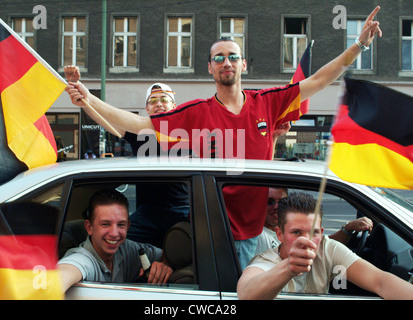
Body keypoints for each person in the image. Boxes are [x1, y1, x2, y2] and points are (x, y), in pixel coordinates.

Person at [65, 7, 383, 269]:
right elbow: (135, 123)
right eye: (218, 58)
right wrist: (88, 98)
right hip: (213, 237)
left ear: (243, 64)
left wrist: (359, 46)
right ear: (210, 69)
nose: (226, 62)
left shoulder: (269, 102)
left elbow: (317, 80)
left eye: (232, 56)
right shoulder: (193, 114)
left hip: (258, 234)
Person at [65, 66, 189, 248]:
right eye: (153, 101)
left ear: (174, 106)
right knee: (115, 244)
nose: (159, 104)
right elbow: (105, 118)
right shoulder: (140, 132)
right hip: (147, 213)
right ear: (147, 108)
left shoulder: (187, 133)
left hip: (181, 211)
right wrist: (82, 97)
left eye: (164, 99)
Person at [237, 192, 413, 300]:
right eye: (296, 232)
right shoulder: (267, 260)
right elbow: (246, 295)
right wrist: (287, 267)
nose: (306, 241)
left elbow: (380, 281)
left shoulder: (327, 248)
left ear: (321, 232)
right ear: (279, 234)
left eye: (314, 233)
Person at [57, 189, 173, 293]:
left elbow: (168, 256)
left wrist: (164, 265)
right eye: (105, 224)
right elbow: (61, 276)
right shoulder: (82, 259)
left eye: (121, 225)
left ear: (128, 226)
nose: (114, 233)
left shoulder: (127, 249)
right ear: (89, 227)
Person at [255, 187, 373, 254]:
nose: (276, 207)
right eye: (269, 202)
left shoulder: (288, 228)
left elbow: (322, 243)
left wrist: (348, 229)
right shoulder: (258, 237)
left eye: (281, 202)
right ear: (279, 235)